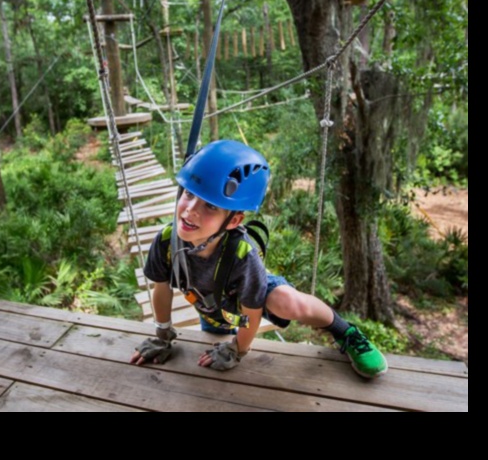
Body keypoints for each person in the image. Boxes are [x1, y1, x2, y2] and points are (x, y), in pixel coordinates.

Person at [129, 139, 388, 378]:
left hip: (246, 296)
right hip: (214, 310)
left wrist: (237, 350)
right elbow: (161, 289)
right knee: (212, 351)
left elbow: (251, 314)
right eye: (188, 194)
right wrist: (163, 334)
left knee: (289, 303)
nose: (190, 210)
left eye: (210, 205)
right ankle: (221, 332)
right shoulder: (166, 241)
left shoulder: (244, 256)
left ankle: (346, 332)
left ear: (234, 221)